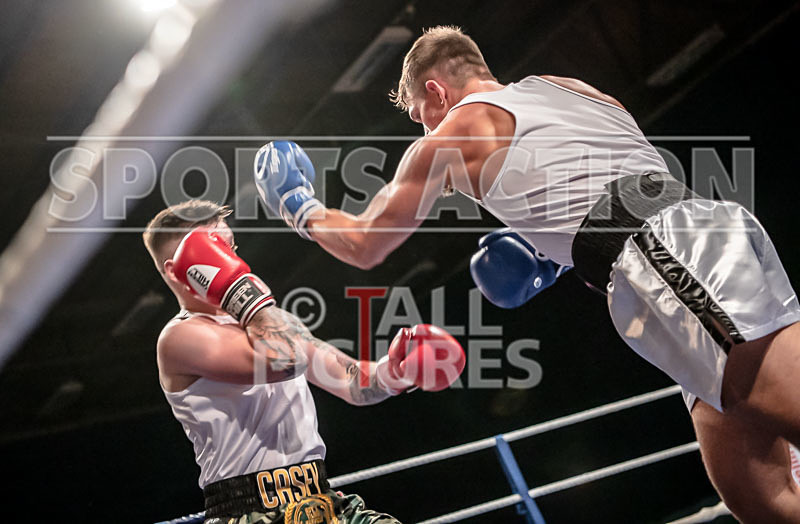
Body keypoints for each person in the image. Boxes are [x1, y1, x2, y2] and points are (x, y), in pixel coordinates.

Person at [253, 26, 800, 522]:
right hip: (687, 239)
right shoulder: (566, 88)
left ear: (436, 92)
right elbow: (621, 169)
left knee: (778, 404)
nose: (423, 128)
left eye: (420, 114)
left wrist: (297, 206)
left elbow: (366, 242)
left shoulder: (454, 132)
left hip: (663, 257)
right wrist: (556, 254)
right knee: (754, 490)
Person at [143, 199, 464, 524]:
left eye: (230, 246)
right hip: (250, 511)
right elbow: (283, 360)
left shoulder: (271, 322)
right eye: (215, 249)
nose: (230, 257)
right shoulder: (181, 337)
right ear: (175, 269)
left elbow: (351, 381)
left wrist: (396, 372)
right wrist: (240, 291)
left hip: (319, 498)